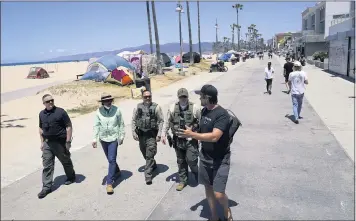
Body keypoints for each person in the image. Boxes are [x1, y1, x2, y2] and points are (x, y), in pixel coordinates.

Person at [176, 84, 233, 221]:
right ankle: (214, 216)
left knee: (218, 193)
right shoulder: (204, 111)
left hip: (220, 159)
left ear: (207, 97)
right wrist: (192, 130)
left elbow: (214, 136)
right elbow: (202, 130)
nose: (199, 98)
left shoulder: (221, 114)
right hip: (205, 157)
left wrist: (193, 135)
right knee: (208, 187)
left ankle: (227, 212)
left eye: (201, 96)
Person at [162, 88, 201, 191]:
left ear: (187, 97)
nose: (183, 98)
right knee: (181, 161)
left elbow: (201, 121)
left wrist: (197, 133)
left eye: (185, 96)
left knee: (191, 160)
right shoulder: (172, 108)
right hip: (178, 140)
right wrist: (163, 134)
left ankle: (196, 172)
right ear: (178, 97)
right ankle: (183, 180)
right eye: (181, 97)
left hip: (190, 140)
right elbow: (167, 121)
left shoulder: (195, 108)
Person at [38, 94, 76, 199]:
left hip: (60, 143)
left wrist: (68, 142)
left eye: (52, 100)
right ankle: (46, 187)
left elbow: (68, 126)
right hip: (47, 143)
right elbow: (41, 129)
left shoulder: (61, 112)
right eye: (47, 101)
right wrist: (42, 142)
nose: (50, 102)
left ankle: (71, 176)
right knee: (47, 165)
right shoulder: (41, 114)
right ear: (44, 103)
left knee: (65, 160)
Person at [92, 93, 125, 194]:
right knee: (110, 159)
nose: (108, 102)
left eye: (110, 100)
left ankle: (109, 183)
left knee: (111, 159)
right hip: (103, 139)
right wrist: (94, 139)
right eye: (106, 101)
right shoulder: (98, 112)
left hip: (113, 138)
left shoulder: (117, 110)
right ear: (102, 102)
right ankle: (117, 171)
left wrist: (121, 136)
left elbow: (121, 124)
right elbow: (96, 126)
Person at [131, 90, 164, 185]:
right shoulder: (138, 107)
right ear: (142, 97)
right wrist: (133, 132)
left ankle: (148, 175)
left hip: (151, 135)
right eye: (145, 97)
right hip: (141, 134)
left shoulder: (156, 107)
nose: (148, 98)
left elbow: (161, 121)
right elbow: (133, 120)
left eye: (149, 96)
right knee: (144, 152)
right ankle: (152, 165)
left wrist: (159, 134)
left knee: (150, 154)